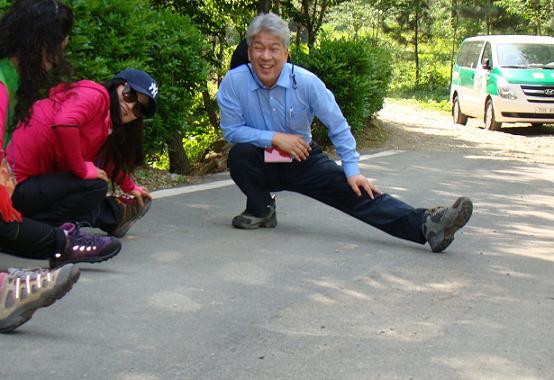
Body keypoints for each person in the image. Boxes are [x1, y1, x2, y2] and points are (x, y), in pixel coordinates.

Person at [216, 13, 473, 253]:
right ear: (249, 53)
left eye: (274, 48)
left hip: (300, 159)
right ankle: (261, 208)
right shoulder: (234, 82)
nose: (266, 56)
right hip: (260, 160)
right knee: (240, 155)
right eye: (259, 48)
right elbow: (231, 130)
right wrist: (274, 138)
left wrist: (352, 171)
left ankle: (428, 225)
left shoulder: (306, 83)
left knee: (357, 194)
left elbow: (338, 125)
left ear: (286, 52)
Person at [0, 0, 119, 333]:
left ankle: (62, 242)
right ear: (39, 45)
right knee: (8, 223)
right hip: (18, 190)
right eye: (55, 52)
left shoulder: (10, 81)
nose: (54, 63)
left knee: (12, 224)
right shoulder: (1, 86)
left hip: (20, 188)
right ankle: (11, 285)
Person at [7, 69, 159, 238]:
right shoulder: (96, 95)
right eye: (129, 95)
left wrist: (129, 186)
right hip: (11, 187)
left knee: (92, 183)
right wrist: (81, 169)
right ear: (117, 85)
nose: (130, 107)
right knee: (94, 185)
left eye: (138, 109)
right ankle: (35, 233)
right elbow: (64, 123)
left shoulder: (103, 123)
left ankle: (32, 230)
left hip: (23, 187)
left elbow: (104, 159)